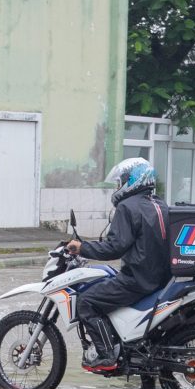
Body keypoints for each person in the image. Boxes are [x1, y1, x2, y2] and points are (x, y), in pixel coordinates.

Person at [64, 157, 171, 372]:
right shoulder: (160, 204)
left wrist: (81, 247)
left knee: (87, 302)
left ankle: (106, 355)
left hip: (138, 280)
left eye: (121, 182)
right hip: (163, 280)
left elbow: (114, 247)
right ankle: (147, 385)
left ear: (134, 181)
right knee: (147, 334)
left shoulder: (127, 207)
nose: (118, 187)